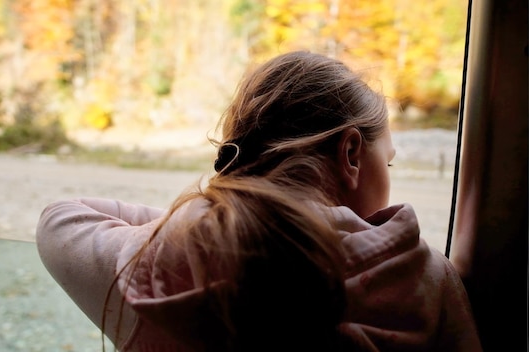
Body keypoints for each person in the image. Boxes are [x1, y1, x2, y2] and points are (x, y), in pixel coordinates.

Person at [36, 51, 482, 351]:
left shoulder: (169, 263)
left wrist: (229, 222)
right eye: (388, 162)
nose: (389, 176)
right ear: (350, 154)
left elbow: (61, 217)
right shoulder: (426, 277)